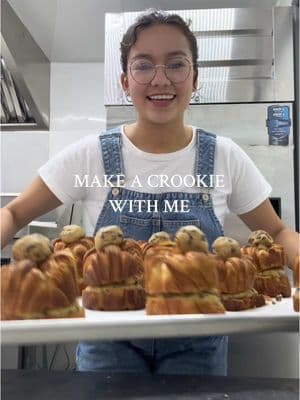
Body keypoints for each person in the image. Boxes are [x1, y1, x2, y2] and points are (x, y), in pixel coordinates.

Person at [1, 10, 299, 375]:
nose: (161, 80)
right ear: (126, 81)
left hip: (199, 343)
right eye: (144, 66)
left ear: (195, 78)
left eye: (176, 65)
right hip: (108, 344)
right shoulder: (91, 153)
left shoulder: (224, 156)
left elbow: (280, 233)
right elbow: (14, 213)